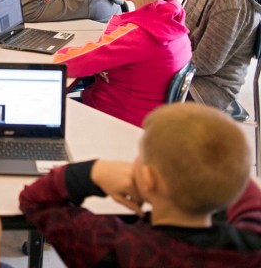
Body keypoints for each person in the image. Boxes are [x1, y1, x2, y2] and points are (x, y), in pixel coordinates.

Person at [19, 102, 261, 267]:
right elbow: (247, 191)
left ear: (148, 180)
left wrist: (95, 171)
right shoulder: (253, 246)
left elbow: (36, 202)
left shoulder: (111, 246)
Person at [53, 0, 191, 127]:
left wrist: (59, 52)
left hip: (117, 123)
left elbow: (68, 63)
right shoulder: (170, 20)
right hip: (144, 120)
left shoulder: (139, 36)